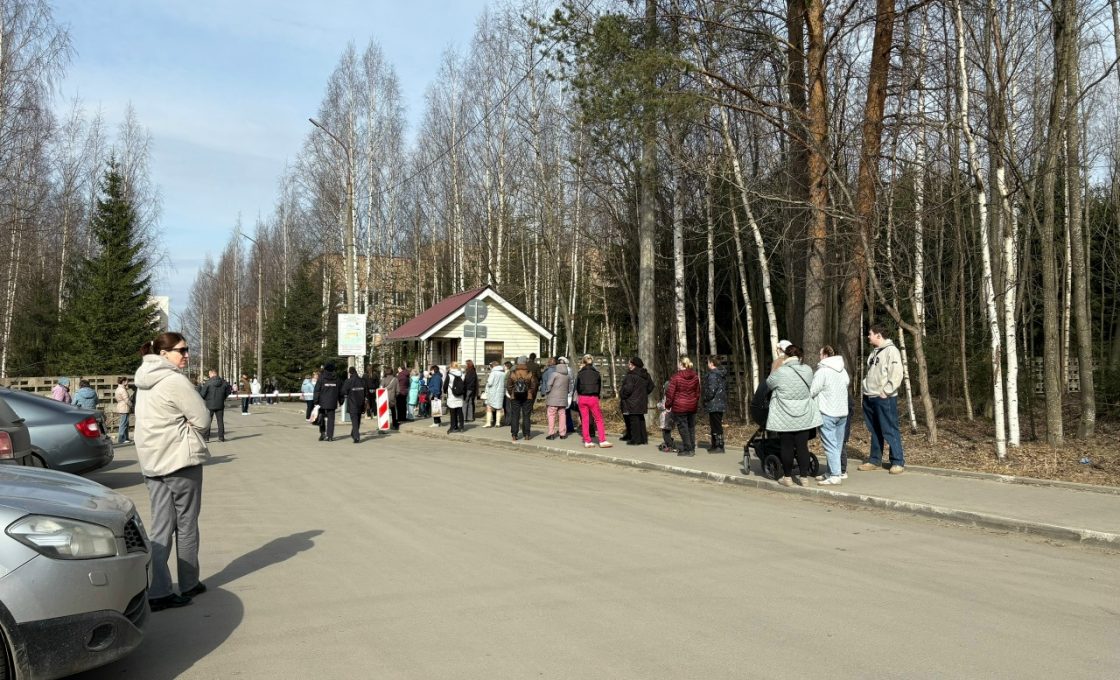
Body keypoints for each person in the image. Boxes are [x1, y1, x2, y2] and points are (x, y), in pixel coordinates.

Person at [133, 332, 209, 611]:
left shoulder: (142, 379)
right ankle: (189, 583)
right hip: (179, 461)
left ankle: (159, 591)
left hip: (152, 463)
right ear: (164, 354)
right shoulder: (175, 380)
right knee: (187, 524)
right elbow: (202, 418)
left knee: (160, 527)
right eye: (182, 350)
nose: (187, 355)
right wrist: (185, 430)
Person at [766, 343, 822, 486]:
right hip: (803, 414)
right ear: (799, 357)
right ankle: (804, 478)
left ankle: (787, 478)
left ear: (786, 356)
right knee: (803, 446)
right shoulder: (808, 370)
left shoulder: (780, 372)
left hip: (785, 415)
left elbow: (769, 384)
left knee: (787, 447)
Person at [860, 324, 906, 474]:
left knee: (889, 429)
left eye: (870, 334)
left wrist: (886, 391)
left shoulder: (891, 351)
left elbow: (897, 373)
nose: (868, 336)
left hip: (884, 397)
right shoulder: (874, 353)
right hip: (870, 396)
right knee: (875, 429)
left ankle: (897, 461)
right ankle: (874, 459)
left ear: (879, 335)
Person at [812, 345, 850, 485]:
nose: (819, 356)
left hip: (827, 411)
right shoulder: (842, 370)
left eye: (820, 354)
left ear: (826, 355)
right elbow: (846, 383)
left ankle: (835, 475)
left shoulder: (822, 371)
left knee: (830, 445)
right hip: (842, 412)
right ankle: (832, 471)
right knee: (837, 445)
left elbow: (813, 390)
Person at [665, 356, 702, 456]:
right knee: (691, 427)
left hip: (680, 406)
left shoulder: (676, 377)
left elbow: (670, 393)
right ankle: (691, 447)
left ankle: (688, 449)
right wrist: (695, 401)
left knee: (683, 428)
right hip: (692, 405)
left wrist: (668, 405)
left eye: (678, 363)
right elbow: (698, 392)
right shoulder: (695, 376)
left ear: (681, 364)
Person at [575, 354, 613, 449]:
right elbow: (599, 387)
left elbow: (577, 387)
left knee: (585, 420)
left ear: (583, 362)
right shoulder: (596, 373)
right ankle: (602, 440)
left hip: (582, 397)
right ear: (592, 362)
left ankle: (587, 441)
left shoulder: (580, 373)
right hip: (593, 397)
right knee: (598, 419)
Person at [618, 357, 654, 446]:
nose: (628, 365)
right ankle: (643, 439)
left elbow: (628, 389)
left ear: (634, 365)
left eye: (630, 364)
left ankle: (635, 440)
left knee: (633, 420)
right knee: (640, 419)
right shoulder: (646, 374)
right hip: (641, 401)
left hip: (631, 401)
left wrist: (622, 394)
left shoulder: (631, 375)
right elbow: (651, 386)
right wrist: (644, 394)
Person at [505, 356, 538, 441]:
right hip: (528, 397)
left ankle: (514, 435)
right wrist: (530, 393)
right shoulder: (530, 373)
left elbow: (509, 385)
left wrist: (512, 393)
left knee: (515, 415)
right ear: (525, 363)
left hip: (515, 397)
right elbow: (534, 386)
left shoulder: (513, 373)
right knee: (526, 416)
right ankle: (527, 435)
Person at [702, 355, 728, 453]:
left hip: (714, 404)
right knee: (715, 425)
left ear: (712, 363)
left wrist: (705, 398)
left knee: (716, 426)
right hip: (719, 403)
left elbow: (711, 390)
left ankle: (719, 446)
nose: (707, 364)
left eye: (708, 362)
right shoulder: (720, 374)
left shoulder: (713, 375)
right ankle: (715, 445)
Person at [199, 369, 231, 442]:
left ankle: (206, 438)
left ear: (212, 374)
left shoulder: (208, 383)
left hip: (209, 405)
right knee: (220, 421)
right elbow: (228, 392)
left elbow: (202, 394)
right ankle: (221, 437)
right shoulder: (224, 382)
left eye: (209, 374)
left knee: (208, 421)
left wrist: (206, 399)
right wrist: (223, 398)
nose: (209, 376)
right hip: (220, 404)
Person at [313, 363, 342, 441]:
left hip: (322, 402)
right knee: (331, 419)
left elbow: (317, 390)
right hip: (332, 402)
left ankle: (322, 433)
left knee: (321, 417)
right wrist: (341, 401)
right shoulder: (337, 379)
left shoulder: (321, 378)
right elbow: (340, 391)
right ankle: (330, 436)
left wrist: (315, 401)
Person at [544, 358, 570, 439]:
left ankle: (551, 433)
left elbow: (549, 385)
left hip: (553, 399)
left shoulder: (554, 374)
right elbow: (569, 388)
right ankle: (562, 434)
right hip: (563, 399)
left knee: (551, 415)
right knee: (562, 415)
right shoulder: (567, 376)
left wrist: (547, 392)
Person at [341, 367, 366, 443]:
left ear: (349, 373)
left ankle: (356, 437)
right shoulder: (362, 381)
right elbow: (365, 391)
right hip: (361, 403)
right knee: (358, 420)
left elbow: (343, 391)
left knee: (354, 420)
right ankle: (353, 433)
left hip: (353, 403)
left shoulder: (349, 381)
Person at [445, 362, 467, 433]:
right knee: (460, 411)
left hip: (452, 395)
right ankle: (462, 427)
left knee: (453, 412)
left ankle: (453, 427)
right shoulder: (462, 374)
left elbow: (445, 385)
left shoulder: (449, 375)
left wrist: (445, 391)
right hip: (460, 395)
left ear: (451, 366)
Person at [484, 361, 506, 427]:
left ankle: (488, 423)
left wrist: (487, 384)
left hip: (492, 392)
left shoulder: (493, 373)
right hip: (500, 392)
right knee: (498, 408)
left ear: (493, 366)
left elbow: (490, 383)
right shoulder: (503, 373)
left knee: (489, 407)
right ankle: (498, 423)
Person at [656, 380, 676, 452]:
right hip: (671, 415)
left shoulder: (667, 396)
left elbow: (663, 405)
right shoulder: (674, 395)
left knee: (665, 432)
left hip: (666, 415)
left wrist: (658, 405)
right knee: (668, 431)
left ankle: (669, 445)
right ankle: (670, 443)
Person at [115, 377, 133, 445]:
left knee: (125, 423)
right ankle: (121, 439)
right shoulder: (122, 390)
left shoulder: (119, 388)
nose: (127, 382)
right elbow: (126, 400)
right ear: (123, 382)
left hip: (121, 406)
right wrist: (132, 405)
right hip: (124, 407)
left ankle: (125, 438)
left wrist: (126, 387)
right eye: (126, 381)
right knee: (123, 424)